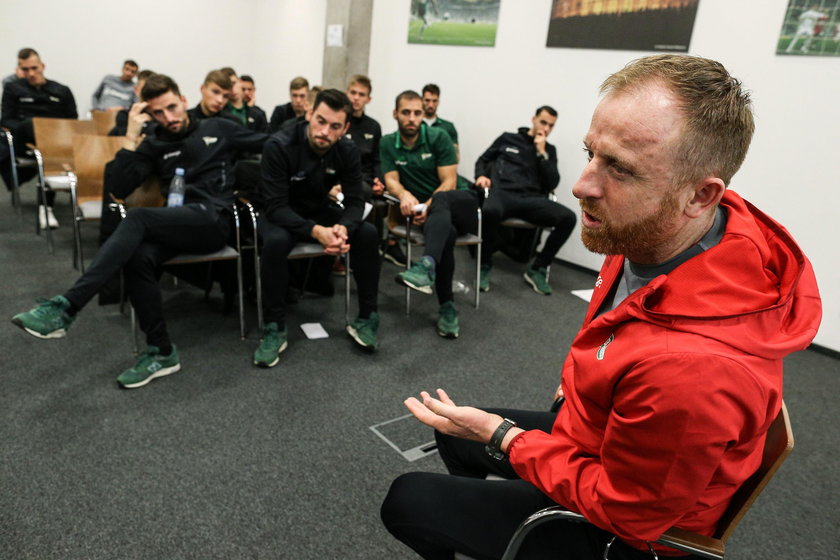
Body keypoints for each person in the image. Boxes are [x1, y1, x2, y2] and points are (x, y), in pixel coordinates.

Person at [381, 54, 822, 560]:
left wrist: (505, 437)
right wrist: (576, 385)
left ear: (701, 195)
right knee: (456, 437)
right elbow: (622, 331)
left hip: (623, 530)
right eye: (592, 153)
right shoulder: (653, 231)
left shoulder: (694, 373)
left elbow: (627, 513)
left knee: (407, 499)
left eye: (620, 168)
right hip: (601, 435)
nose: (582, 185)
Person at [10, 74, 269, 389]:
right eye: (159, 113)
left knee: (137, 219)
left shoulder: (219, 128)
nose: (168, 118)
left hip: (213, 221)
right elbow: (117, 189)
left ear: (184, 99)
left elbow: (271, 143)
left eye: (172, 107)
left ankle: (68, 305)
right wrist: (131, 138)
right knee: (139, 257)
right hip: (176, 223)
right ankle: (161, 351)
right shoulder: (155, 142)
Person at [254, 89, 382, 367]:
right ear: (309, 115)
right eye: (320, 121)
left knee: (368, 233)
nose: (325, 131)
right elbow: (275, 207)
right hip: (280, 211)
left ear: (345, 128)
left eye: (335, 126)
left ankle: (367, 318)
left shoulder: (347, 149)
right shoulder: (279, 145)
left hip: (317, 207)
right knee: (275, 242)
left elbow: (356, 202)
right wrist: (316, 231)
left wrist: (343, 229)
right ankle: (274, 327)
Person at [382, 90, 479, 339]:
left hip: (461, 204)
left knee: (442, 200)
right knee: (446, 233)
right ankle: (447, 307)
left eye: (417, 113)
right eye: (406, 112)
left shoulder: (438, 137)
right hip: (436, 219)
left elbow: (448, 181)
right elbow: (391, 179)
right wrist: (403, 195)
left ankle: (425, 265)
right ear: (395, 114)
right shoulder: (387, 143)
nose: (412, 118)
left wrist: (426, 206)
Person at [473, 105, 577, 295]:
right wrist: (480, 175)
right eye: (543, 122)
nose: (545, 128)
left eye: (551, 126)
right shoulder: (507, 138)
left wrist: (542, 153)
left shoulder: (549, 150)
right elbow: (482, 160)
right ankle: (485, 264)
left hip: (531, 199)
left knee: (568, 218)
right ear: (533, 119)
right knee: (489, 211)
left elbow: (553, 182)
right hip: (503, 193)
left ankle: (538, 268)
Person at [1, 47, 78, 229]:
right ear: (20, 69)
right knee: (33, 126)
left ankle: (48, 205)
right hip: (24, 139)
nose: (31, 73)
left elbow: (72, 121)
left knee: (55, 147)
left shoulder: (61, 90)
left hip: (56, 140)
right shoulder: (14, 89)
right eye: (25, 69)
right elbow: (6, 119)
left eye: (34, 68)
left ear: (42, 66)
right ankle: (46, 207)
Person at [108, 69, 156, 136]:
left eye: (155, 90)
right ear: (136, 90)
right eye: (146, 90)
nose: (151, 94)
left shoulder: (164, 116)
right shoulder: (124, 115)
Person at [421, 83, 458, 160]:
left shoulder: (448, 127)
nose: (431, 105)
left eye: (434, 101)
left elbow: (455, 157)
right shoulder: (414, 126)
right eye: (427, 100)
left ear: (438, 102)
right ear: (421, 101)